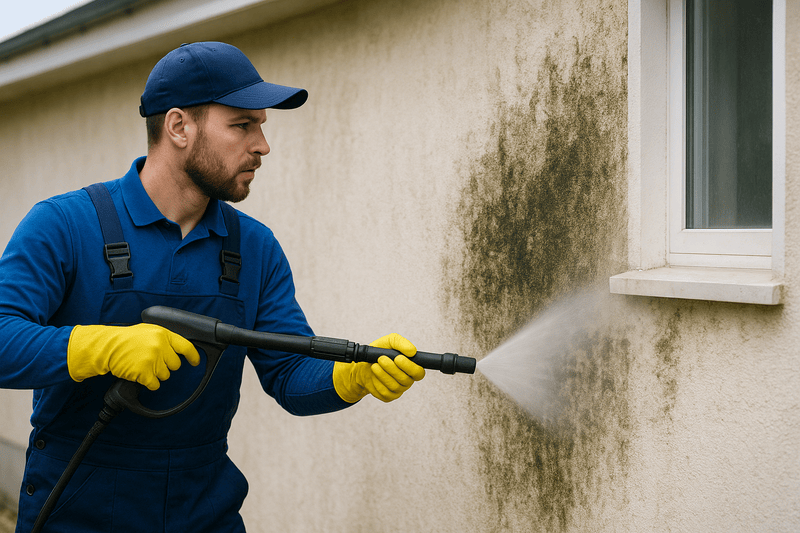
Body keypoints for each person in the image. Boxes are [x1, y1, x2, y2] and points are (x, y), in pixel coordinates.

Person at [0, 41, 425, 532]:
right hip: (76, 510)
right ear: (179, 126)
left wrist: (354, 376)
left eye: (261, 126)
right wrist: (101, 345)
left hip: (202, 512)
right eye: (243, 125)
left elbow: (288, 371)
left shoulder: (254, 248)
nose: (263, 145)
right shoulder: (66, 226)